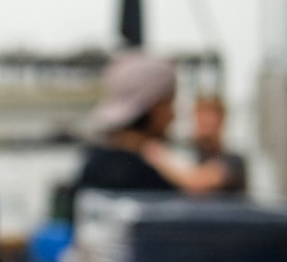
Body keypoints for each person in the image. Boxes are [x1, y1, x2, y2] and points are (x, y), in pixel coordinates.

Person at [74, 51, 234, 202]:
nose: (173, 115)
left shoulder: (93, 164)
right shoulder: (149, 175)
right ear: (155, 107)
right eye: (170, 103)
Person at [191, 94, 248, 193]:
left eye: (209, 117)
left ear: (221, 120)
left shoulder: (234, 161)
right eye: (200, 116)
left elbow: (199, 181)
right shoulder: (191, 156)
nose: (204, 121)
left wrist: (155, 151)